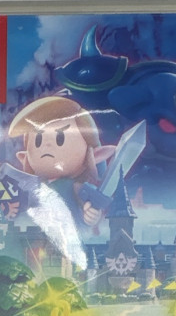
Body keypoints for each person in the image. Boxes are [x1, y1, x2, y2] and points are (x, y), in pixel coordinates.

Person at [9, 96, 115, 230]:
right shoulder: (35, 189)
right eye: (38, 140)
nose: (47, 145)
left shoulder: (76, 187)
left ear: (94, 155)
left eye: (60, 138)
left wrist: (92, 215)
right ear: (25, 157)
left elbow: (93, 206)